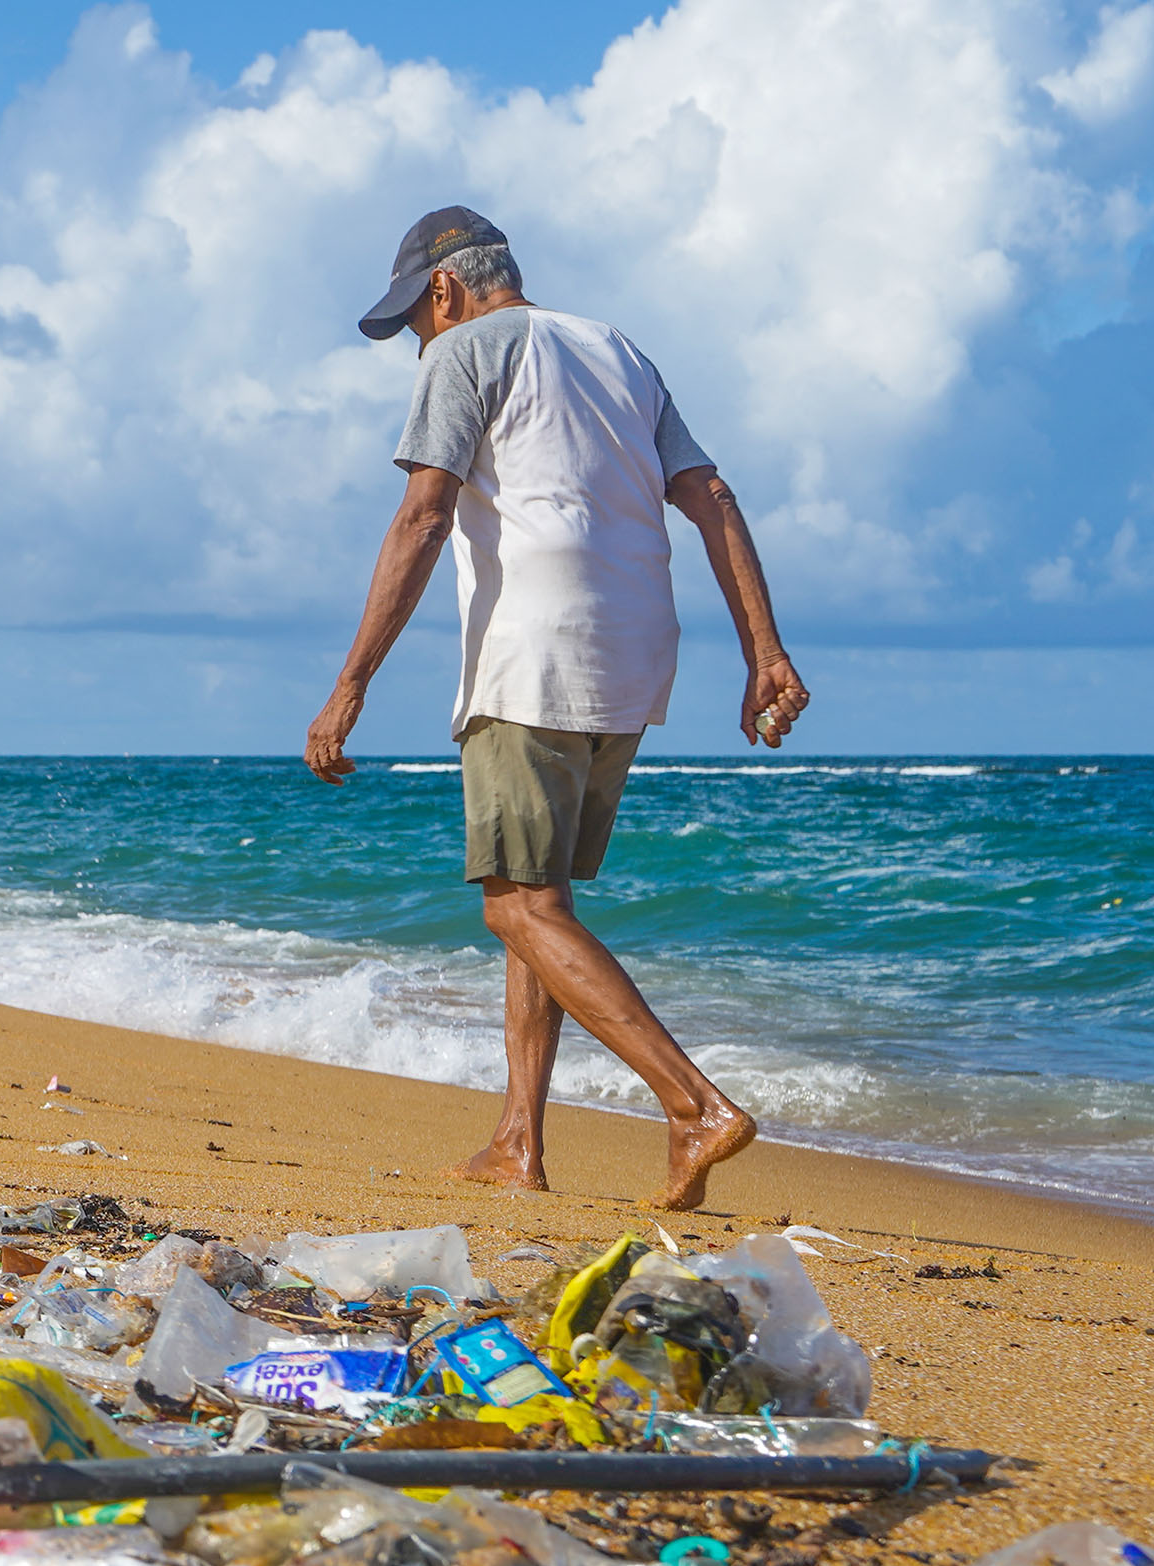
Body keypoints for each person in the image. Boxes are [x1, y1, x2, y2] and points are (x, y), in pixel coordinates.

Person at [303, 207, 805, 1213]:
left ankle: (694, 1106)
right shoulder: (618, 350)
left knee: (515, 904)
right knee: (543, 903)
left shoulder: (464, 352)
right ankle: (518, 1142)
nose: (417, 341)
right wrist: (765, 653)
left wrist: (350, 682)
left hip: (531, 653)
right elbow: (712, 497)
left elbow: (423, 517)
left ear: (444, 288)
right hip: (633, 656)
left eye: (414, 320)